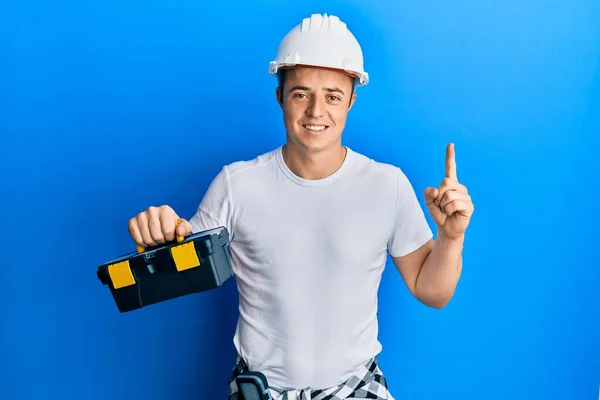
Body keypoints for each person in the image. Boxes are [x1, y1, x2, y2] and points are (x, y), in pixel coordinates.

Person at [128, 13, 474, 400]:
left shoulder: (386, 185)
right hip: (261, 390)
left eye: (332, 96)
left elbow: (433, 292)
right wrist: (159, 235)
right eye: (301, 94)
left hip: (356, 389)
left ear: (350, 103)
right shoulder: (236, 185)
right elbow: (185, 262)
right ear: (280, 97)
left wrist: (451, 236)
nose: (316, 111)